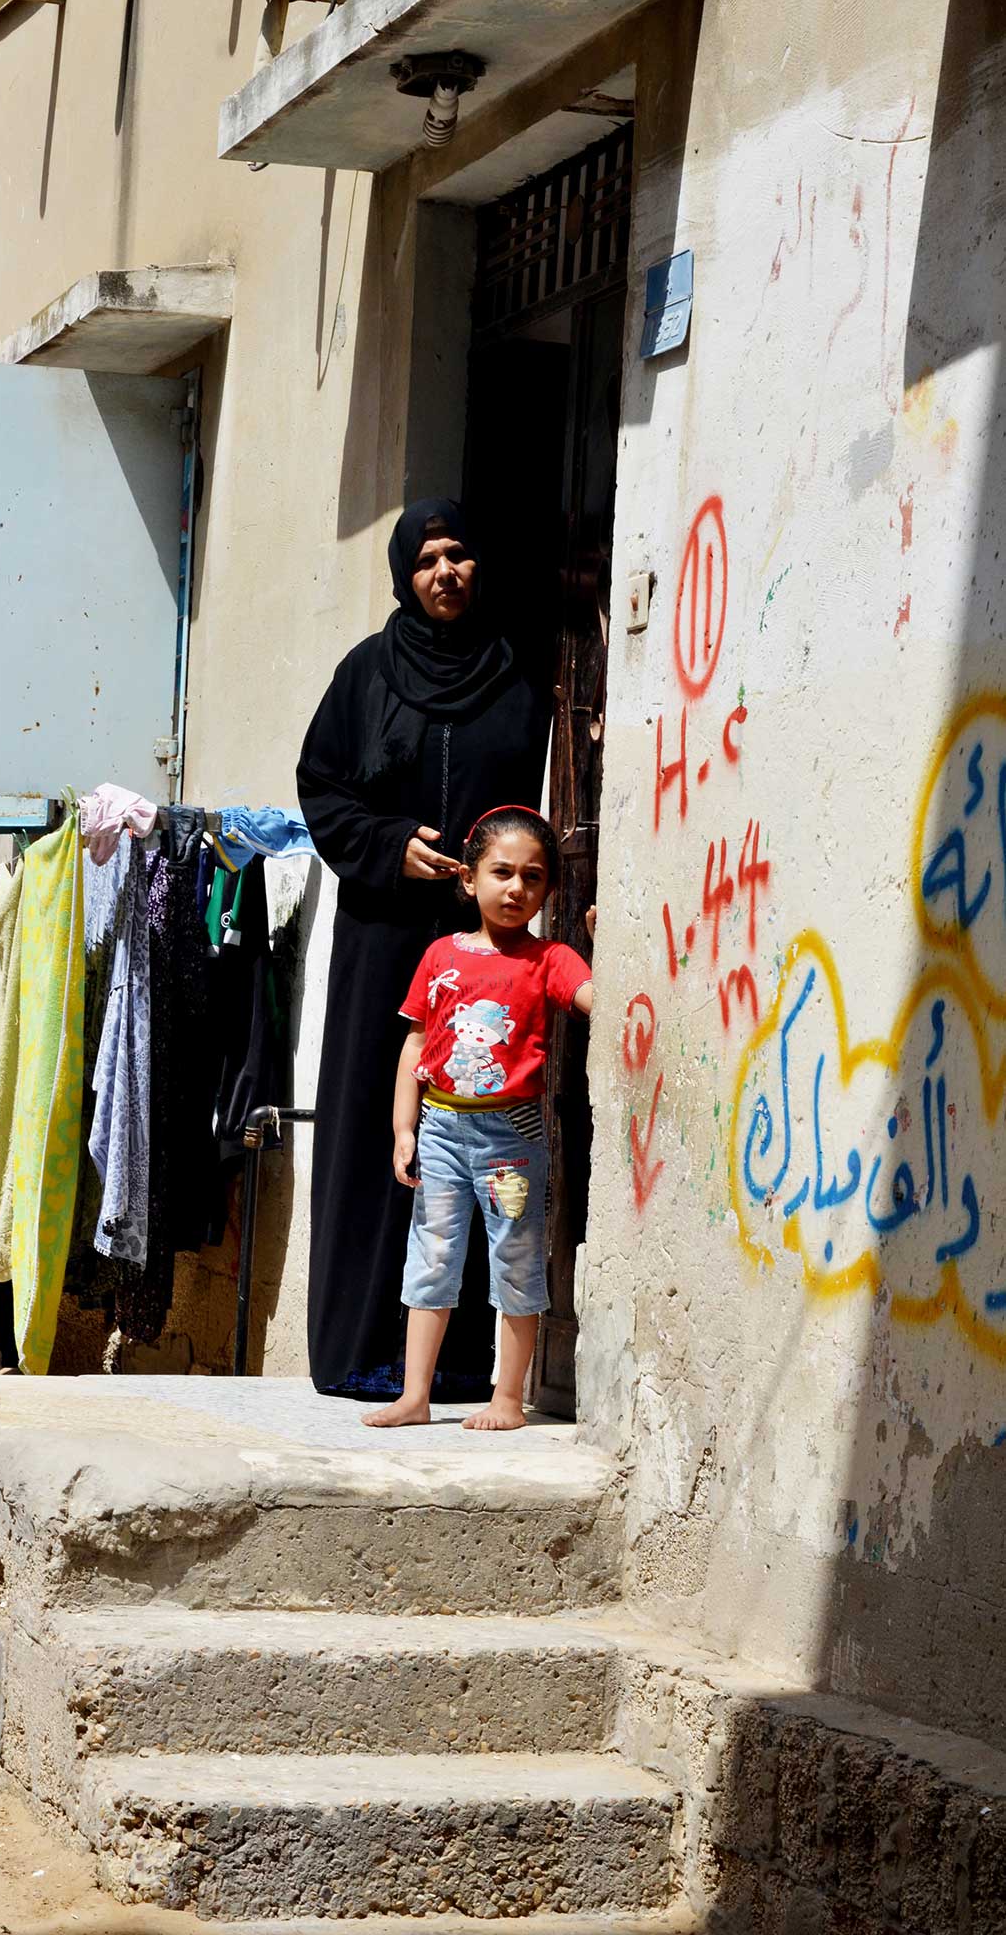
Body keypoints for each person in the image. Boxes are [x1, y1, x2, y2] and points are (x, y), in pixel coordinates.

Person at [297, 499, 554, 1400]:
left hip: (485, 947)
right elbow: (321, 790)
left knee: (481, 1128)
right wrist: (389, 841)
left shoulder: (518, 680)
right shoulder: (364, 674)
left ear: (478, 569)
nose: (443, 572)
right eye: (426, 560)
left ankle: (459, 1359)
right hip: (385, 938)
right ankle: (359, 1347)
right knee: (382, 1120)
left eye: (458, 555)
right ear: (405, 577)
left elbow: (535, 804)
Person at [364, 806, 593, 1431]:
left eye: (532, 877)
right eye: (501, 872)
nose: (516, 888)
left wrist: (610, 943)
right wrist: (403, 1130)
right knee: (432, 1256)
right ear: (470, 880)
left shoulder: (551, 959)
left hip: (511, 1138)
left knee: (516, 1259)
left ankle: (507, 1400)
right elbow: (415, 1048)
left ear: (546, 889)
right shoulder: (441, 956)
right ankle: (416, 1397)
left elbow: (596, 999)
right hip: (439, 1127)